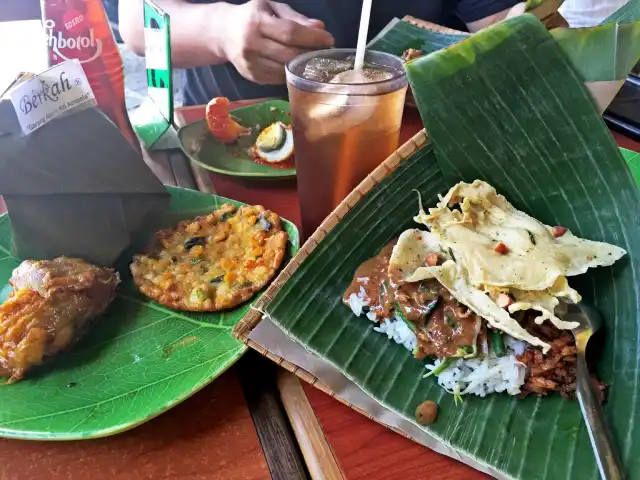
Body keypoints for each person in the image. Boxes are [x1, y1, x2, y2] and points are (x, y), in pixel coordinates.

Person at [119, 0, 524, 106]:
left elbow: (506, 27)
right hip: (235, 139)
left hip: (408, 140)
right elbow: (138, 26)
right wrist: (219, 31)